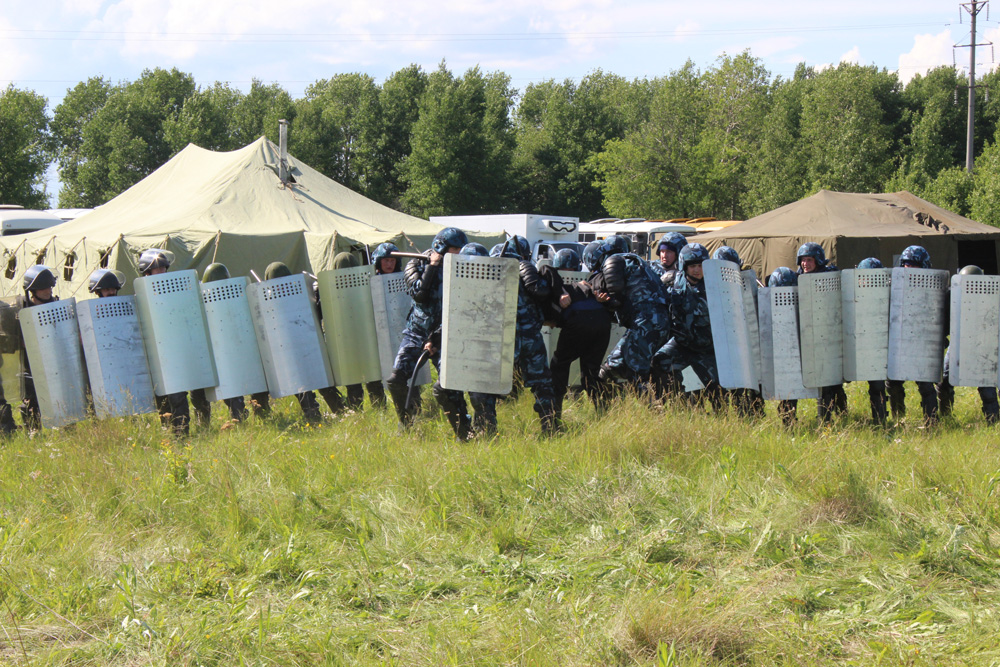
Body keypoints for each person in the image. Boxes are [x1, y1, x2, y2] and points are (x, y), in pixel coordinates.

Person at [386, 227, 472, 440]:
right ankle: (407, 424)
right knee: (395, 380)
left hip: (445, 334)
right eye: (454, 249)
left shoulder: (461, 268)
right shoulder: (416, 264)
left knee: (448, 386)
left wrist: (437, 338)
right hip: (417, 332)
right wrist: (432, 266)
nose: (458, 254)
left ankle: (464, 433)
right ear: (441, 248)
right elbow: (420, 295)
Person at [136, 248, 209, 436]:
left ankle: (184, 433)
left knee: (185, 393)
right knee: (162, 398)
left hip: (180, 350)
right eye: (156, 269)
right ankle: (170, 432)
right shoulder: (141, 297)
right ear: (147, 272)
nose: (160, 272)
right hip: (156, 356)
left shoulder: (177, 289)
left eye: (162, 268)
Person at [495, 235, 559, 434]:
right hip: (531, 335)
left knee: (490, 382)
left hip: (503, 337)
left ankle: (487, 427)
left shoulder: (493, 269)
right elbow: (542, 294)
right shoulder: (528, 272)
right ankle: (550, 426)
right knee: (542, 383)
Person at [538, 247, 611, 420]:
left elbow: (544, 269)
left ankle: (553, 418)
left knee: (559, 366)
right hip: (602, 325)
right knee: (591, 373)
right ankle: (605, 414)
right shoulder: (589, 282)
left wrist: (559, 293)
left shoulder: (554, 285)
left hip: (578, 324)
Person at [248, 262, 325, 424]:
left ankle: (313, 415)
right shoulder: (263, 299)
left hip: (298, 350)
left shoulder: (300, 297)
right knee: (261, 384)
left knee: (303, 381)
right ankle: (263, 418)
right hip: (272, 353)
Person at [590, 239, 671, 393]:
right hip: (655, 323)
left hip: (644, 323)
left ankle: (653, 410)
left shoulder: (614, 261)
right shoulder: (639, 263)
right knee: (612, 365)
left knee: (637, 373)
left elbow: (616, 298)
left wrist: (603, 301)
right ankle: (606, 405)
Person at [652, 243, 724, 412]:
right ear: (685, 266)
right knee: (659, 361)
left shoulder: (715, 287)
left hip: (707, 348)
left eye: (700, 266)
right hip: (682, 343)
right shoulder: (674, 282)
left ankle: (722, 417)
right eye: (692, 266)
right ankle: (681, 403)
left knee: (716, 389)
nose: (697, 270)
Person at [885, 246, 942, 424]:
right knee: (893, 384)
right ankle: (898, 417)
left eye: (914, 265)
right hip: (899, 342)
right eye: (906, 265)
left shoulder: (934, 287)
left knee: (926, 385)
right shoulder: (894, 286)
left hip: (923, 344)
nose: (909, 269)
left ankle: (931, 421)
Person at [937, 264, 1000, 424]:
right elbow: (945, 319)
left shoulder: (990, 296)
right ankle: (945, 415)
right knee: (945, 380)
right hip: (959, 343)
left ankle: (993, 420)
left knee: (986, 383)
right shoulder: (953, 296)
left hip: (983, 343)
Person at [191, 262, 250, 423]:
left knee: (232, 388)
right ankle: (203, 423)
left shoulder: (232, 296)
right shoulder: (196, 297)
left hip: (225, 349)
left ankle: (238, 418)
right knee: (198, 394)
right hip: (204, 350)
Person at [795, 242, 847, 422]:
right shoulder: (797, 279)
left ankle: (830, 417)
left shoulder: (829, 278)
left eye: (809, 260)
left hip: (828, 335)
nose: (805, 264)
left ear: (817, 260)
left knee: (830, 381)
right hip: (807, 336)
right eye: (802, 260)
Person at [711, 245, 764, 417]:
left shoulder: (748, 284)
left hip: (745, 343)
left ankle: (751, 414)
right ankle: (723, 416)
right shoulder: (710, 287)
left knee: (748, 384)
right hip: (719, 345)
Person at [15, 265, 60, 431]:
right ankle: (34, 432)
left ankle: (67, 430)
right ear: (33, 290)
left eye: (49, 286)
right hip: (30, 363)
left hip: (55, 359)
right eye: (42, 287)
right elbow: (16, 341)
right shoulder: (22, 311)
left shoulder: (57, 306)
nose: (47, 290)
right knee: (31, 401)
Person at [853, 258, 889, 425]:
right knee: (831, 388)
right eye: (863, 276)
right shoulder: (851, 293)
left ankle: (880, 420)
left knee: (877, 386)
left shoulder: (886, 294)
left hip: (876, 347)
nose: (866, 280)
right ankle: (837, 418)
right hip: (853, 346)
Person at [767, 267, 801, 426]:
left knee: (791, 388)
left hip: (795, 349)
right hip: (774, 351)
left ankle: (789, 418)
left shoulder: (801, 301)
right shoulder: (766, 303)